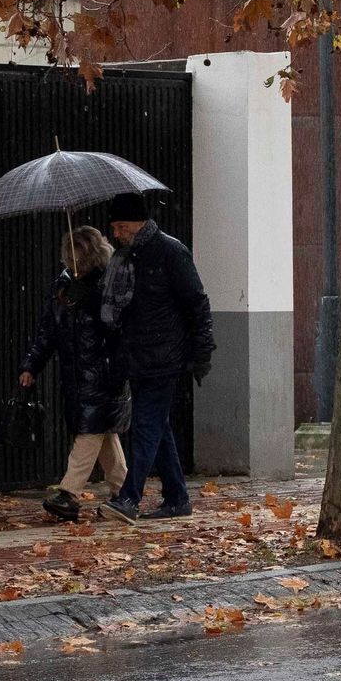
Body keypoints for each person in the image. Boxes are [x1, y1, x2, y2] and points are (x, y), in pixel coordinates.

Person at [98, 192, 215, 525]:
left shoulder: (170, 252)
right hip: (137, 356)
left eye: (121, 226)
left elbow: (197, 303)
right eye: (114, 227)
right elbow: (120, 308)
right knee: (157, 428)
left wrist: (202, 351)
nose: (116, 234)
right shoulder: (126, 257)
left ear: (138, 222)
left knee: (146, 427)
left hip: (164, 357)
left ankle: (129, 498)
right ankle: (177, 497)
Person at [18, 226, 132, 522]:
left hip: (104, 374)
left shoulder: (108, 283)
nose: (73, 265)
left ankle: (69, 494)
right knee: (103, 433)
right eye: (70, 260)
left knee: (90, 432)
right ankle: (126, 492)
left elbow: (118, 326)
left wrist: (93, 299)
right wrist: (31, 365)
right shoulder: (63, 288)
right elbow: (48, 330)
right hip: (77, 375)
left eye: (78, 259)